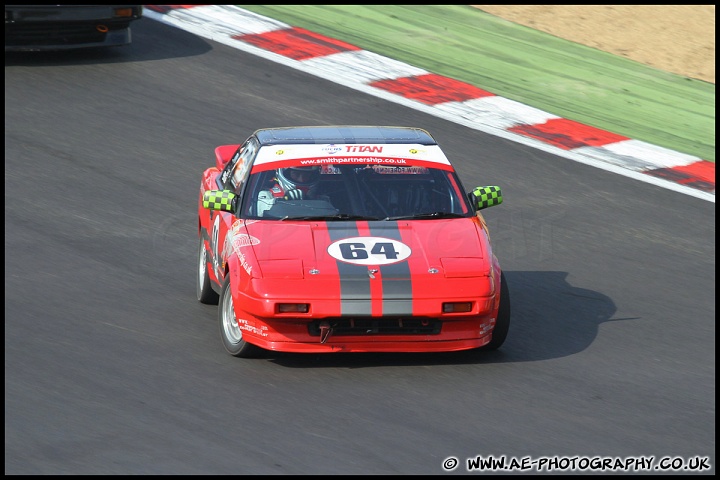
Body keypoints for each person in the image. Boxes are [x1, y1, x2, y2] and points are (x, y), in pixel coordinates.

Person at [256, 166, 325, 216]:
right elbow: (258, 210)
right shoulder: (267, 194)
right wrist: (283, 201)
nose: (301, 179)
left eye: (306, 175)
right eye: (296, 174)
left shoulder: (322, 198)